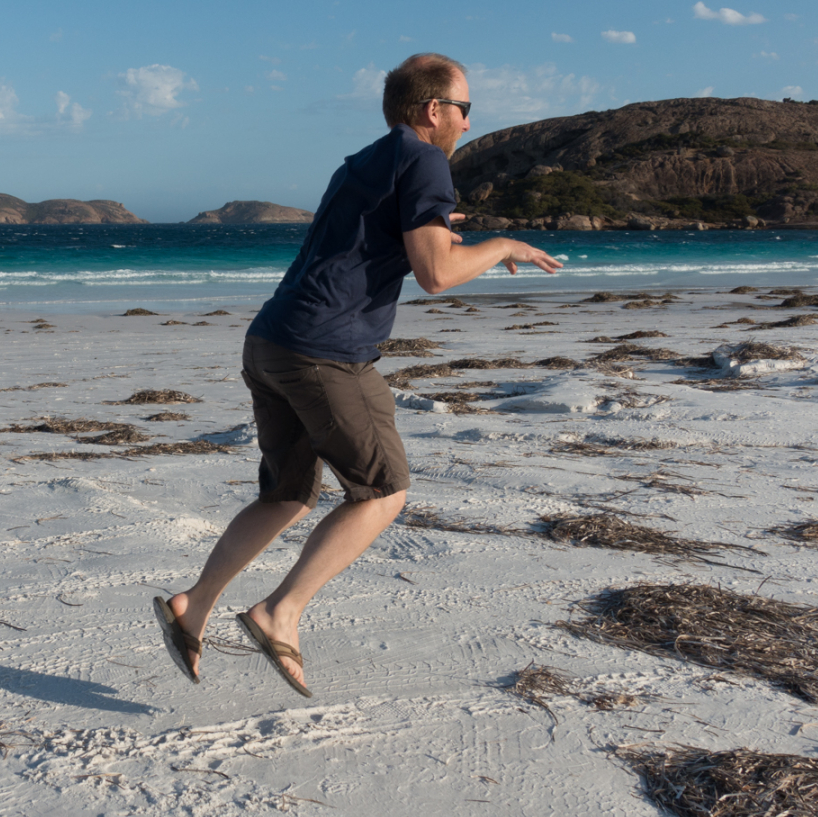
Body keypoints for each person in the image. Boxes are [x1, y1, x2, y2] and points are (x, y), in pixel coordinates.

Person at [154, 52, 562, 697]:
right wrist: (503, 246)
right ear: (433, 109)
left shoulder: (364, 161)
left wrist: (437, 233)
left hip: (271, 340)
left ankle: (194, 604)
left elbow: (367, 244)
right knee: (383, 492)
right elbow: (436, 275)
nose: (467, 123)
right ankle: (279, 612)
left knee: (287, 495)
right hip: (326, 351)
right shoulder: (425, 160)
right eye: (465, 109)